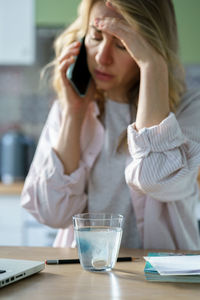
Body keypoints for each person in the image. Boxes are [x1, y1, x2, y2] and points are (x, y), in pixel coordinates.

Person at [21, 0, 200, 250]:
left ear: (151, 47)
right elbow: (51, 213)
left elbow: (155, 179)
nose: (102, 58)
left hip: (166, 284)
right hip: (83, 277)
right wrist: (73, 113)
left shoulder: (190, 108)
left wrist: (153, 67)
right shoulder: (68, 107)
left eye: (122, 45)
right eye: (95, 37)